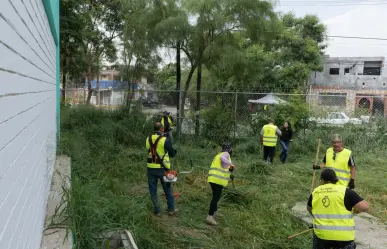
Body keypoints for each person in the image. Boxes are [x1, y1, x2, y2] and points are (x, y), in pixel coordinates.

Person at [307, 168, 369, 249]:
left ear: (321, 180)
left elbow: (309, 208)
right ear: (335, 180)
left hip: (322, 235)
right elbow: (365, 207)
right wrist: (356, 210)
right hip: (344, 237)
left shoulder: (315, 192)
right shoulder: (345, 191)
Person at [145, 122, 177, 216]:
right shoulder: (164, 140)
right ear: (162, 129)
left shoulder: (148, 139)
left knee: (153, 190)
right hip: (163, 169)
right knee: (167, 189)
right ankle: (171, 209)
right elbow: (172, 154)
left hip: (150, 168)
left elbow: (149, 150)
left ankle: (157, 210)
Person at [206, 142, 235, 226]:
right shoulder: (225, 154)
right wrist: (231, 164)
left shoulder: (218, 155)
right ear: (229, 150)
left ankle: (214, 212)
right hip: (217, 180)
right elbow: (224, 159)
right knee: (216, 198)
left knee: (215, 196)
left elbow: (224, 168)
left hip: (212, 179)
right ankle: (210, 216)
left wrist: (230, 174)